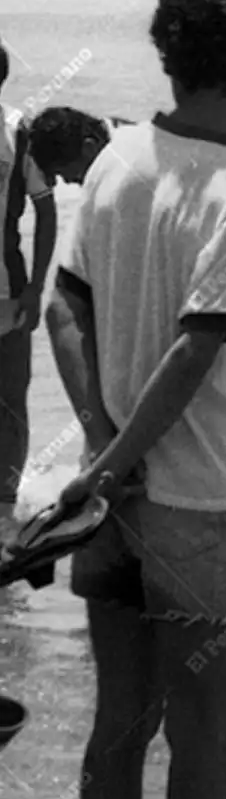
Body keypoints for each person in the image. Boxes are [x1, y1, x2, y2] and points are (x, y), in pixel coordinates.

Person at [45, 0, 226, 799]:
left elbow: (62, 307)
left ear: (167, 55)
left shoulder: (115, 161)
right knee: (202, 735)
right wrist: (117, 463)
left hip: (107, 507)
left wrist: (101, 445)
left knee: (120, 723)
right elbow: (194, 350)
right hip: (198, 503)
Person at [0, 44, 58, 546]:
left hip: (8, 292)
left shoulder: (18, 133)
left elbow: (46, 208)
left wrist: (37, 286)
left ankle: (5, 507)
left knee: (11, 397)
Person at [27, 106, 132, 186]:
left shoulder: (126, 172)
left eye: (63, 172)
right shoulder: (115, 132)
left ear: (89, 148)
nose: (67, 181)